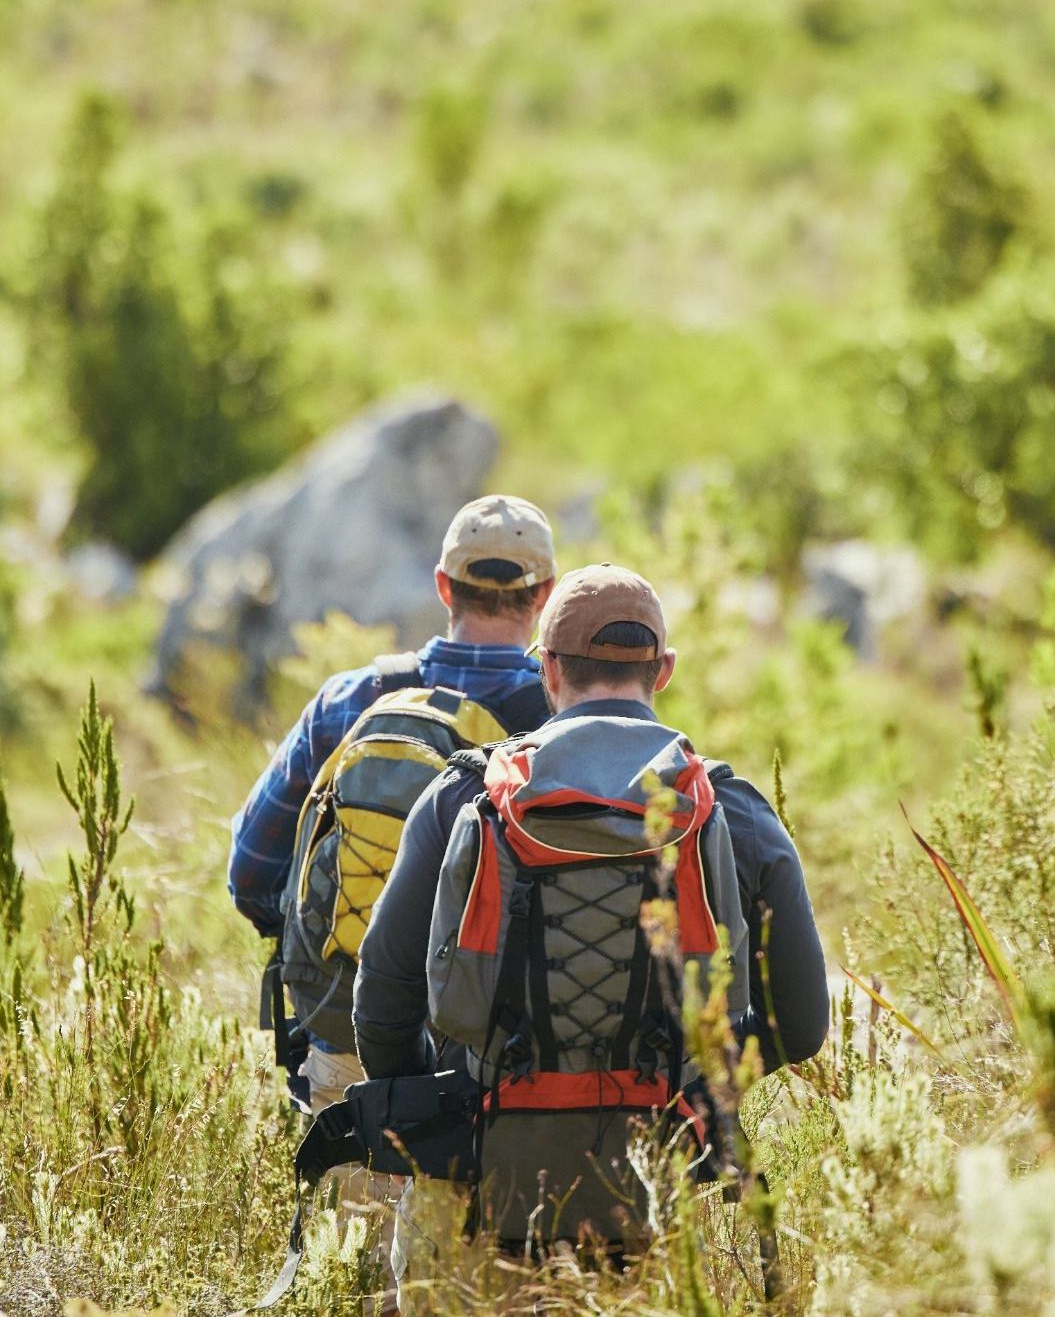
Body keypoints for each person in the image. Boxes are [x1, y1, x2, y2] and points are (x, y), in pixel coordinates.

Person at [354, 563, 829, 1307]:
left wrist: (450, 1113)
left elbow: (381, 997)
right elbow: (801, 1025)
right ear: (662, 670)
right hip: (652, 1186)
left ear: (547, 668)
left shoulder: (464, 794)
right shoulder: (727, 806)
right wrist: (687, 1096)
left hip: (477, 1181)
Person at [228, 494, 557, 1113]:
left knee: (353, 1212)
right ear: (544, 596)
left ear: (443, 586)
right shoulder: (558, 722)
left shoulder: (349, 701)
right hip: (506, 1062)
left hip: (348, 1046)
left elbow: (248, 873)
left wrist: (327, 949)